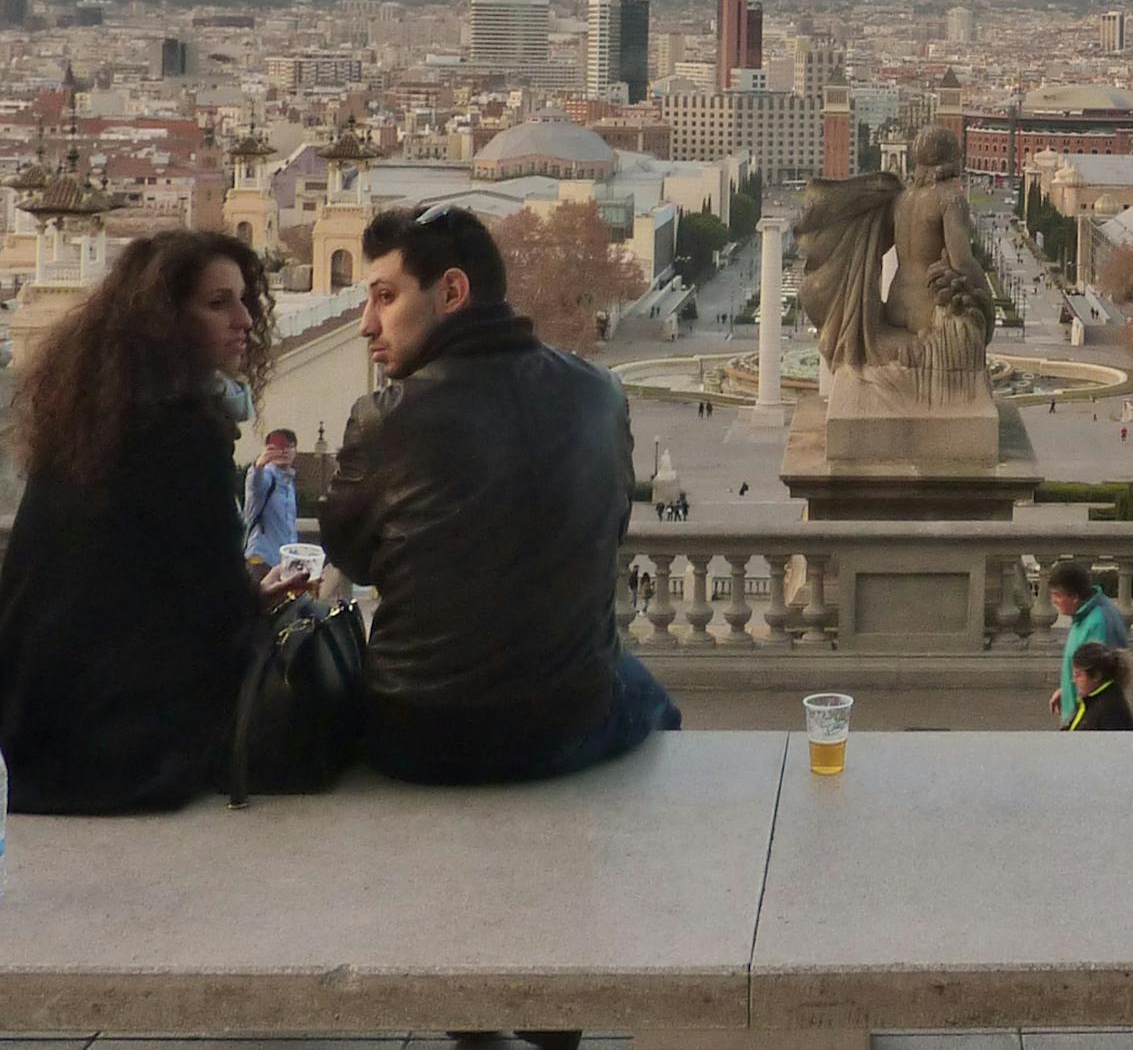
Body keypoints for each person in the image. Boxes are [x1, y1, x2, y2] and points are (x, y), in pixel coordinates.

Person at [322, 206, 680, 785]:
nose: (367, 323)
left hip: (418, 735)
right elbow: (609, 528)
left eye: (384, 297)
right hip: (572, 725)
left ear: (452, 291)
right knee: (651, 697)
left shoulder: (384, 419)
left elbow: (352, 556)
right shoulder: (601, 394)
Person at [0, 231, 302, 812]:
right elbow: (214, 605)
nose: (244, 320)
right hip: (118, 747)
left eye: (244, 301)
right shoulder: (182, 431)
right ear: (164, 321)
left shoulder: (91, 420)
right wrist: (257, 604)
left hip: (35, 726)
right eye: (218, 304)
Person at [1043, 557, 1130, 726]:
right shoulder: (1085, 614)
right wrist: (1066, 690)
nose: (1053, 601)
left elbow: (1098, 681)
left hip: (1088, 719)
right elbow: (1086, 671)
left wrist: (1078, 719)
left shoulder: (1098, 623)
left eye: (1057, 595)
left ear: (1074, 596)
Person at [242, 425, 301, 574]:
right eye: (278, 447)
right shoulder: (266, 476)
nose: (284, 451)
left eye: (289, 446)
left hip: (284, 561)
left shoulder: (289, 483)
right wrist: (259, 465)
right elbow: (255, 485)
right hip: (261, 559)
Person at [1064, 642, 1133, 731]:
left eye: (1078, 675)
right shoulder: (1092, 701)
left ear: (1096, 676)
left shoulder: (1111, 711)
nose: (1074, 680)